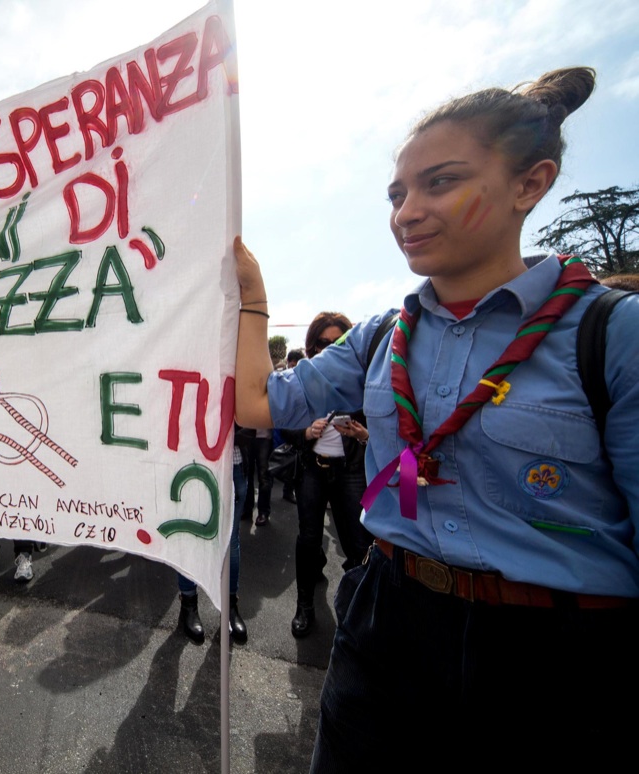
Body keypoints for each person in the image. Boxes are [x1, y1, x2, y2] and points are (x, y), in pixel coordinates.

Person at [232, 68, 639, 771]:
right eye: (397, 194)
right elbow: (260, 404)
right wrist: (251, 295)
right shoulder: (380, 337)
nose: (407, 212)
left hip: (559, 657)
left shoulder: (612, 333)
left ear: (529, 185)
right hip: (388, 616)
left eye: (440, 183)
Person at [279, 313, 373, 638]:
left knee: (358, 543)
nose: (330, 348)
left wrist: (363, 434)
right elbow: (284, 426)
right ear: (312, 346)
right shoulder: (300, 380)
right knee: (308, 538)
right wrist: (306, 432)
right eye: (323, 343)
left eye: (338, 342)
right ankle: (304, 607)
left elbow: (385, 429)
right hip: (311, 470)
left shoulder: (362, 380)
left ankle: (358, 613)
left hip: (349, 472)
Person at [177, 438, 247, 645]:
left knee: (230, 543)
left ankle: (230, 606)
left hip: (230, 463)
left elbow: (253, 424)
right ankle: (188, 604)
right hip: (189, 459)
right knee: (187, 537)